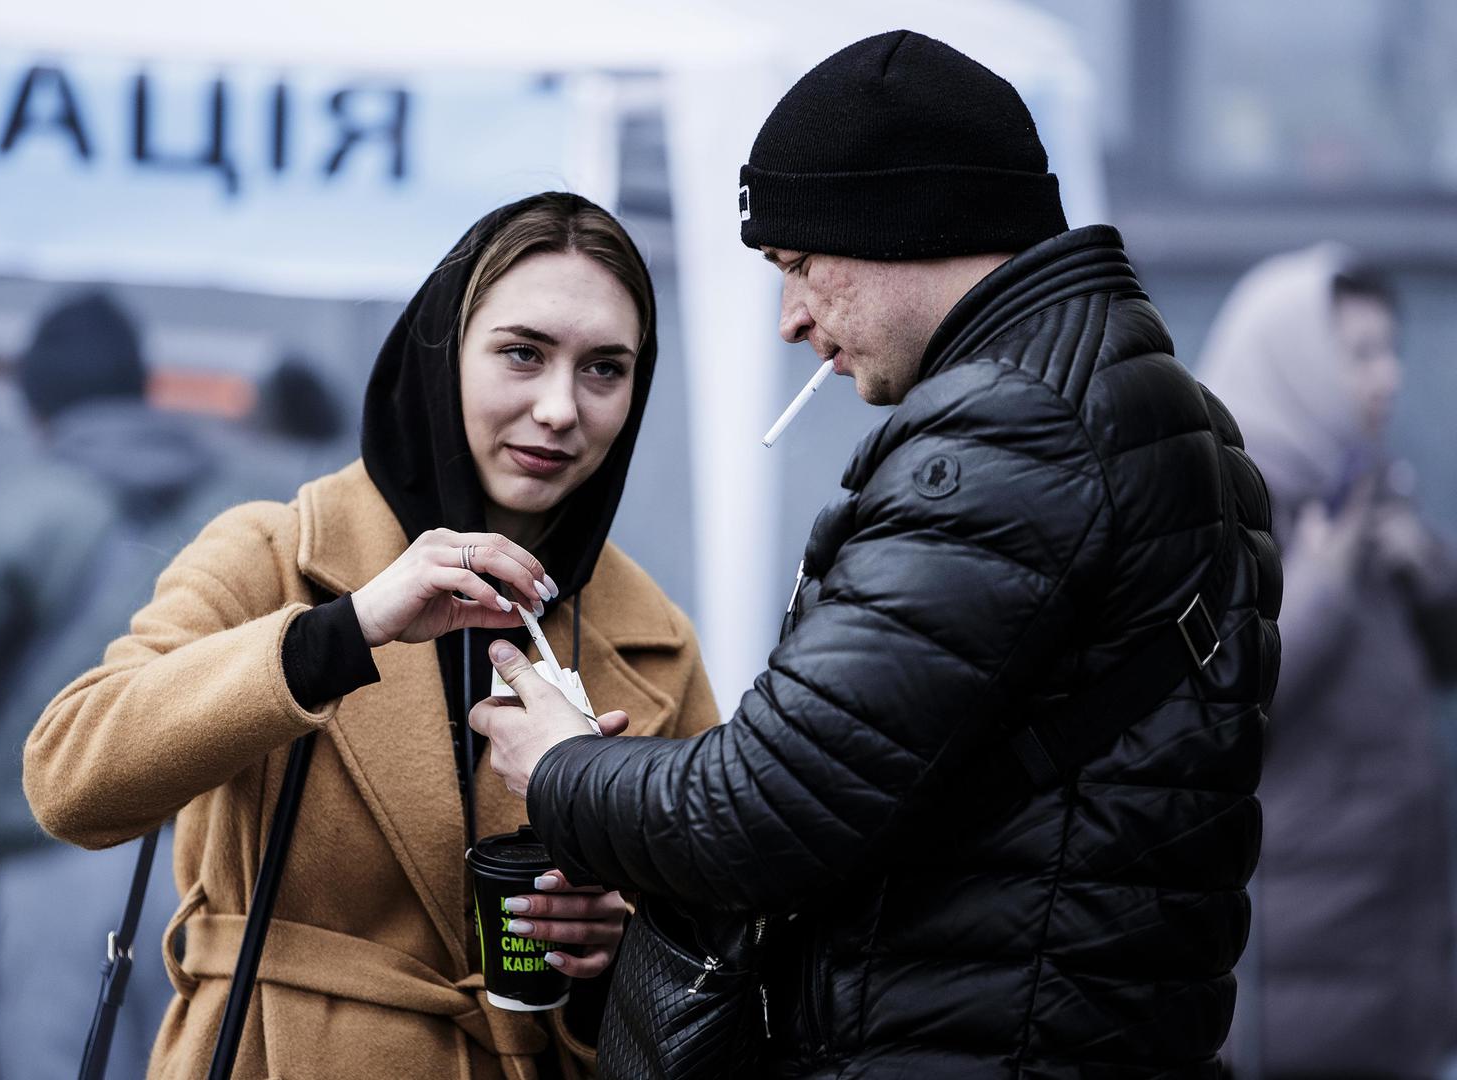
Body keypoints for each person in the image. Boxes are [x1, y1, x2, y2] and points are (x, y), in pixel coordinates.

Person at [472, 32, 1282, 1078]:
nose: (792, 318)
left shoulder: (1010, 432)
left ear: (904, 222)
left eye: (802, 264)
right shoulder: (1147, 404)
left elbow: (763, 807)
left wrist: (558, 766)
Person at [22, 192, 721, 1080]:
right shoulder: (273, 557)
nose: (558, 408)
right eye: (521, 353)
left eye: (604, 369)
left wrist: (610, 958)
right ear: (443, 354)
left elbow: (714, 963)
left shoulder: (653, 640)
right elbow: (67, 782)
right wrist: (340, 635)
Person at [0, 292, 237, 1080]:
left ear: (36, 401)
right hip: (209, 869)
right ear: (140, 386)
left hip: (52, 855)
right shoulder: (236, 509)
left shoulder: (10, 513)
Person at [1200, 249, 1457, 1079]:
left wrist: (1431, 577)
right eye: (1359, 354)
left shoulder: (1361, 493)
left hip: (1391, 949)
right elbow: (1213, 705)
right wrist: (1322, 585)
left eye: (1392, 350)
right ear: (1295, 365)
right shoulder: (1213, 513)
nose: (1387, 378)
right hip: (1288, 974)